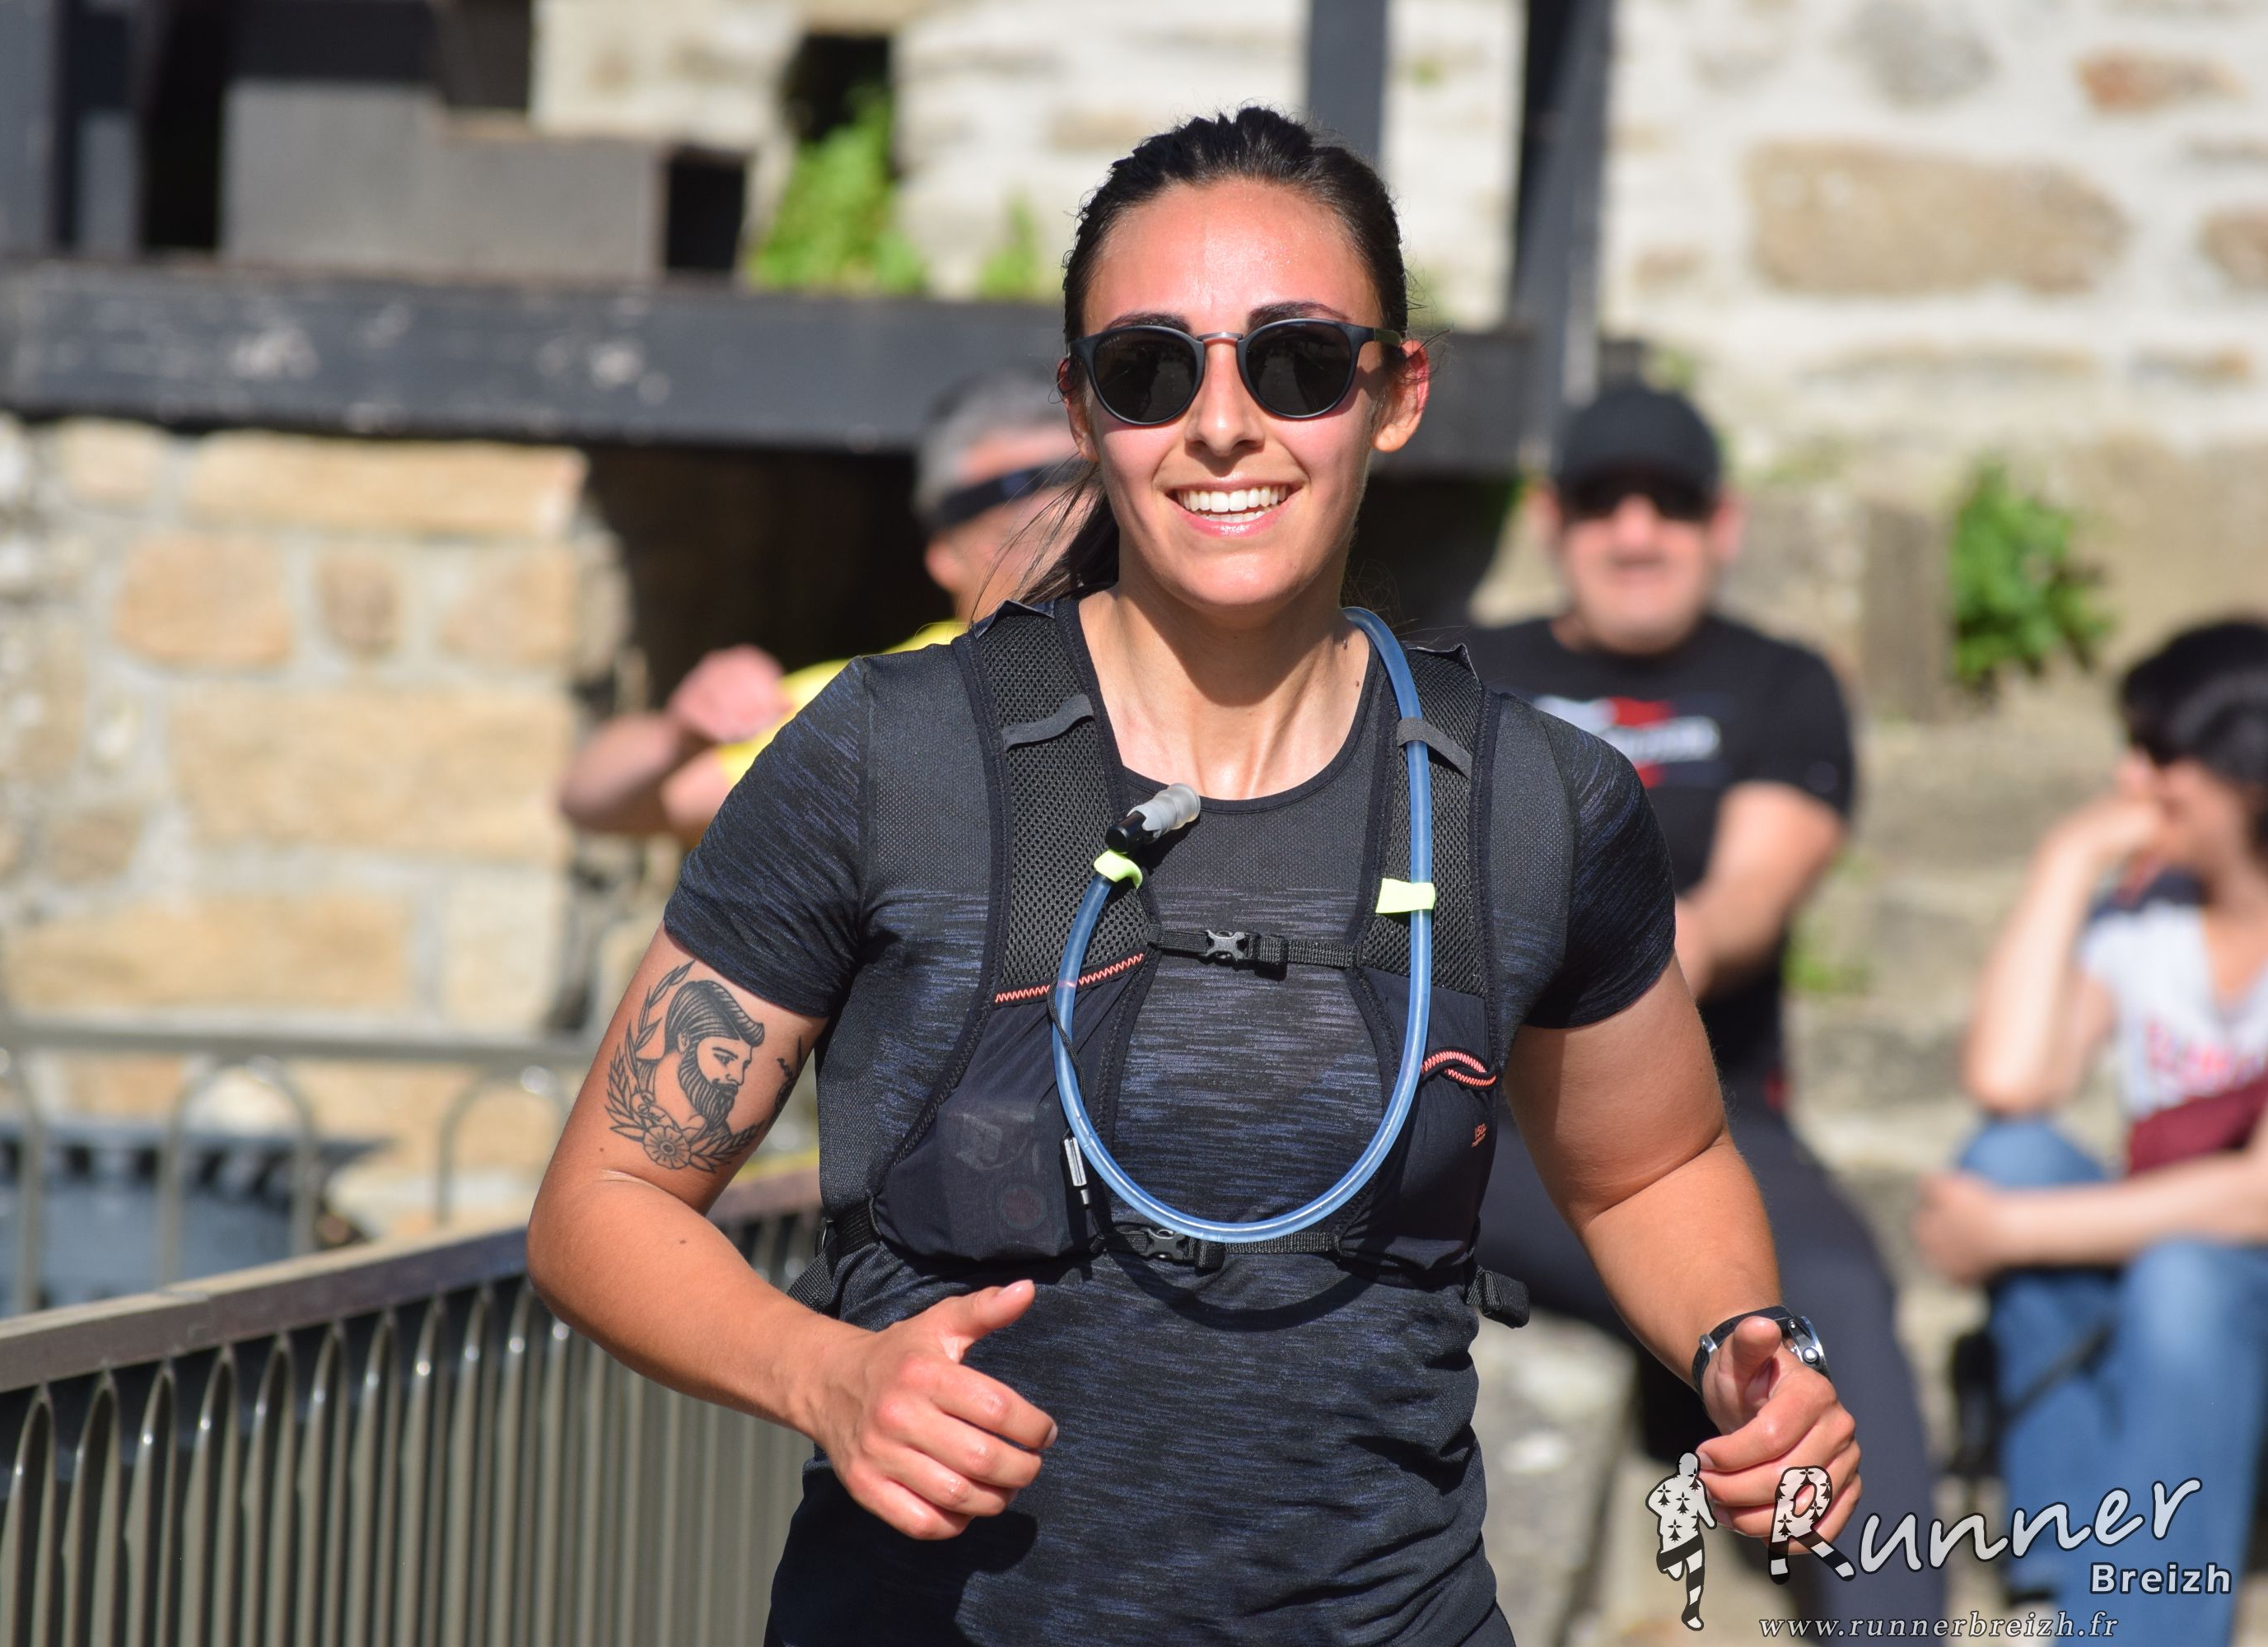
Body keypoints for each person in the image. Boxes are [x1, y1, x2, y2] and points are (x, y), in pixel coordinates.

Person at [527, 109, 1862, 1645]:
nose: (1222, 424)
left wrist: (1741, 1345)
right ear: (1083, 409)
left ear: (1396, 394)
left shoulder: (1535, 805)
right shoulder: (887, 755)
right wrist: (823, 1374)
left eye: (1296, 362)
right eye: (1151, 370)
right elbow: (603, 1200)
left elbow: (1650, 1168)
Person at [1467, 382, 1945, 1629]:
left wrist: (1565, 942)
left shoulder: (1777, 683)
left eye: (1670, 503)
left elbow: (1738, 912)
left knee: (1832, 1292)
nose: (1636, 532)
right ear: (1551, 519)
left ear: (1721, 523)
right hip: (1480, 1114)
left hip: (1702, 1116)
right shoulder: (1463, 672)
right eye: (1602, 501)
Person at [1921, 620, 2268, 1643]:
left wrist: (2011, 1232)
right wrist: (2064, 862)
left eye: (2159, 754)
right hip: (2172, 1277)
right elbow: (2009, 1080)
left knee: (2183, 1274)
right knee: (2010, 1157)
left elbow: (2258, 1196)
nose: (2129, 778)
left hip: (2223, 1284)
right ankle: (2069, 1566)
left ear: (2246, 770)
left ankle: (2140, 1626)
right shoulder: (2147, 917)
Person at [556, 369, 1080, 842]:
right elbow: (595, 801)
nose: (1063, 517)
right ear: (945, 554)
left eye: (1083, 485)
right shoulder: (873, 704)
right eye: (1018, 498)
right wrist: (680, 736)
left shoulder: (1136, 665)